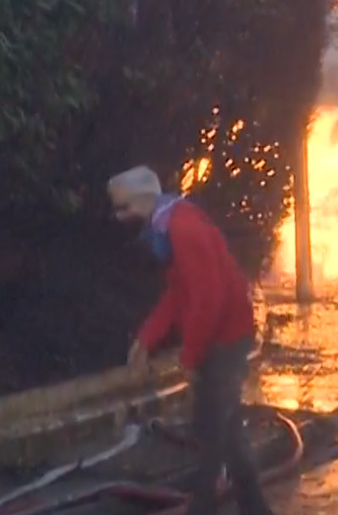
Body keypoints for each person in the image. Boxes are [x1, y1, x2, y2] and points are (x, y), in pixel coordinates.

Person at [108, 166, 274, 515]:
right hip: (227, 332)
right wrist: (146, 339)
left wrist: (190, 357)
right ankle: (255, 508)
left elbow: (206, 298)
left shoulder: (182, 229)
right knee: (225, 429)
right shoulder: (173, 225)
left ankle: (204, 507)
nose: (120, 217)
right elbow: (179, 293)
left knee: (210, 429)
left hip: (226, 337)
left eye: (123, 208)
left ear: (143, 199)